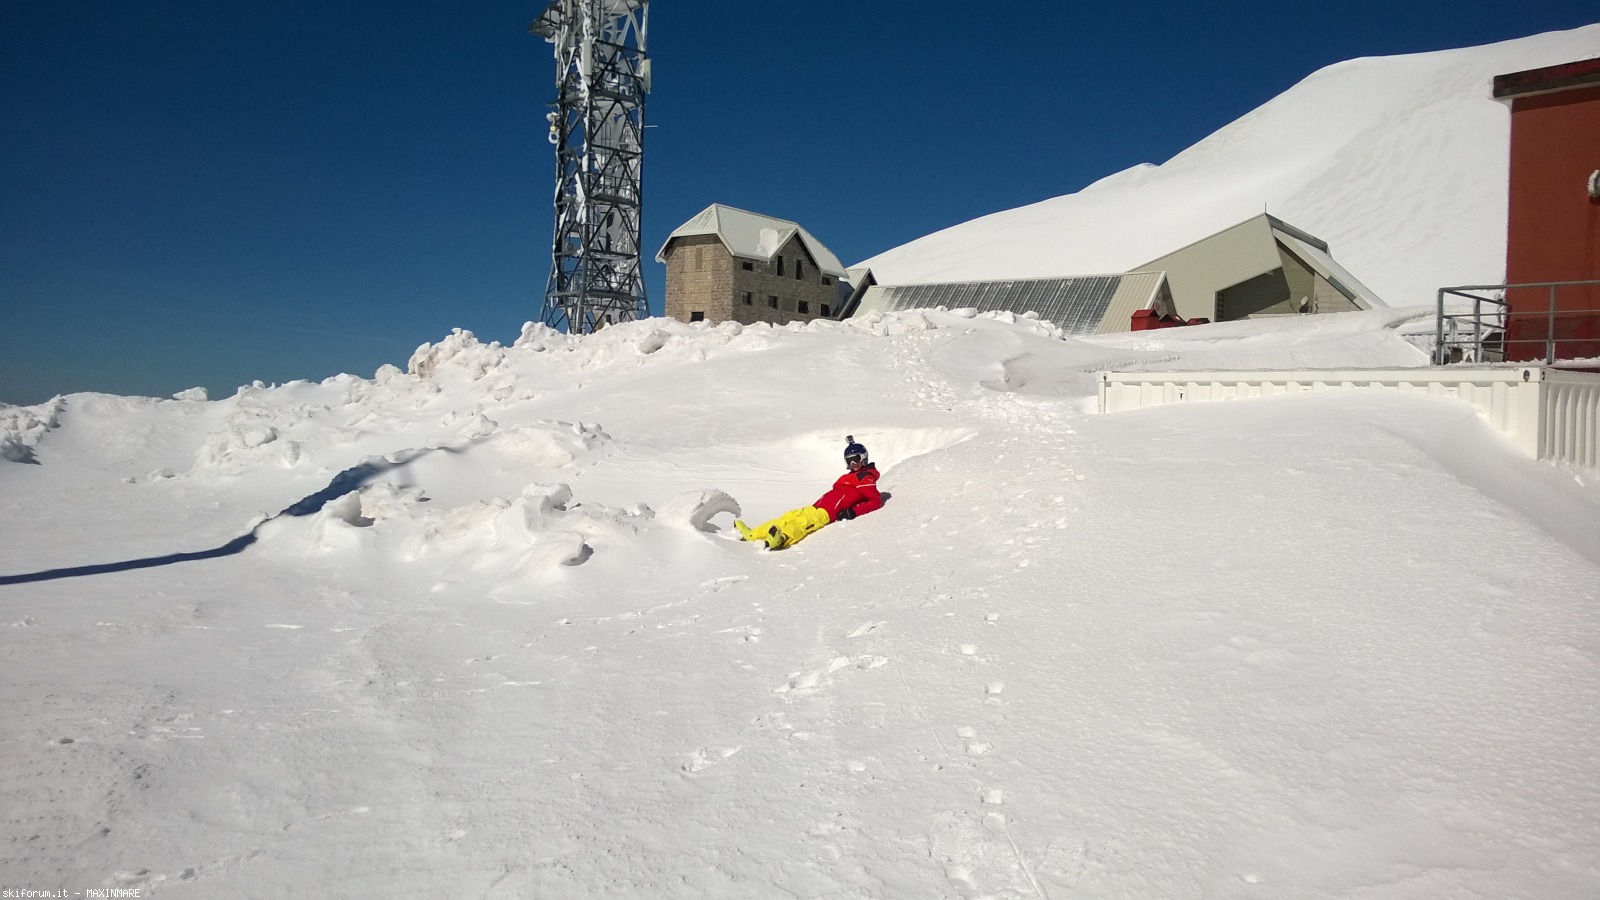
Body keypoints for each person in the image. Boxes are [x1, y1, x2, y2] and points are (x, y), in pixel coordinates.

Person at [735, 436, 883, 550]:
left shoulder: (866, 478)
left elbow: (875, 501)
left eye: (856, 460)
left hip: (827, 513)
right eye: (849, 461)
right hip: (816, 507)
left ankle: (781, 539)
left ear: (864, 458)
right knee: (788, 517)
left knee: (801, 524)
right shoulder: (853, 475)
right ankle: (752, 534)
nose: (853, 464)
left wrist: (853, 512)